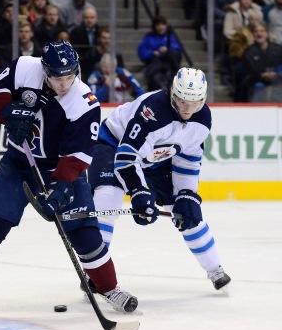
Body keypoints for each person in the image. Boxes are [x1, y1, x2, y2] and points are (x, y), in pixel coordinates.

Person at [0, 40, 139, 316]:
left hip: (60, 169)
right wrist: (9, 112)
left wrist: (60, 188)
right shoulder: (24, 68)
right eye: (58, 78)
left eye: (69, 76)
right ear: (45, 70)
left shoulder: (84, 101)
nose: (64, 84)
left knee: (85, 234)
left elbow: (77, 156)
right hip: (18, 164)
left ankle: (109, 288)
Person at [87, 68, 232, 293]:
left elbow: (189, 158)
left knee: (186, 212)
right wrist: (138, 191)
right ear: (173, 93)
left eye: (193, 104)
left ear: (202, 100)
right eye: (182, 101)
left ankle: (215, 269)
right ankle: (95, 275)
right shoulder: (153, 111)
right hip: (113, 143)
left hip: (155, 155)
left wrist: (187, 193)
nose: (186, 109)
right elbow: (126, 158)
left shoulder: (203, 119)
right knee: (109, 197)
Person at [137, 15, 183, 91]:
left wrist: (167, 49)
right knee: (156, 77)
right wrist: (152, 53)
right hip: (155, 64)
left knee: (169, 74)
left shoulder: (170, 36)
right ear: (154, 26)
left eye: (163, 24)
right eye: (158, 25)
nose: (160, 27)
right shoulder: (149, 37)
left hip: (169, 64)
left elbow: (178, 49)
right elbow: (142, 52)